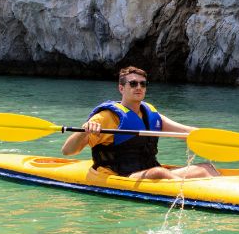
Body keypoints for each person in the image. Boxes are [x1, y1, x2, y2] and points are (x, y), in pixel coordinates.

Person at [62, 66, 220, 179]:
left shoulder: (151, 114)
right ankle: (193, 195)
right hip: (119, 175)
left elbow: (186, 132)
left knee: (206, 167)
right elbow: (68, 151)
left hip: (148, 171)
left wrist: (213, 138)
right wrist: (85, 131)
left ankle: (220, 189)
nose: (139, 87)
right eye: (133, 83)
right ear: (121, 88)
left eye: (143, 84)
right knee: (159, 172)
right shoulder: (106, 117)